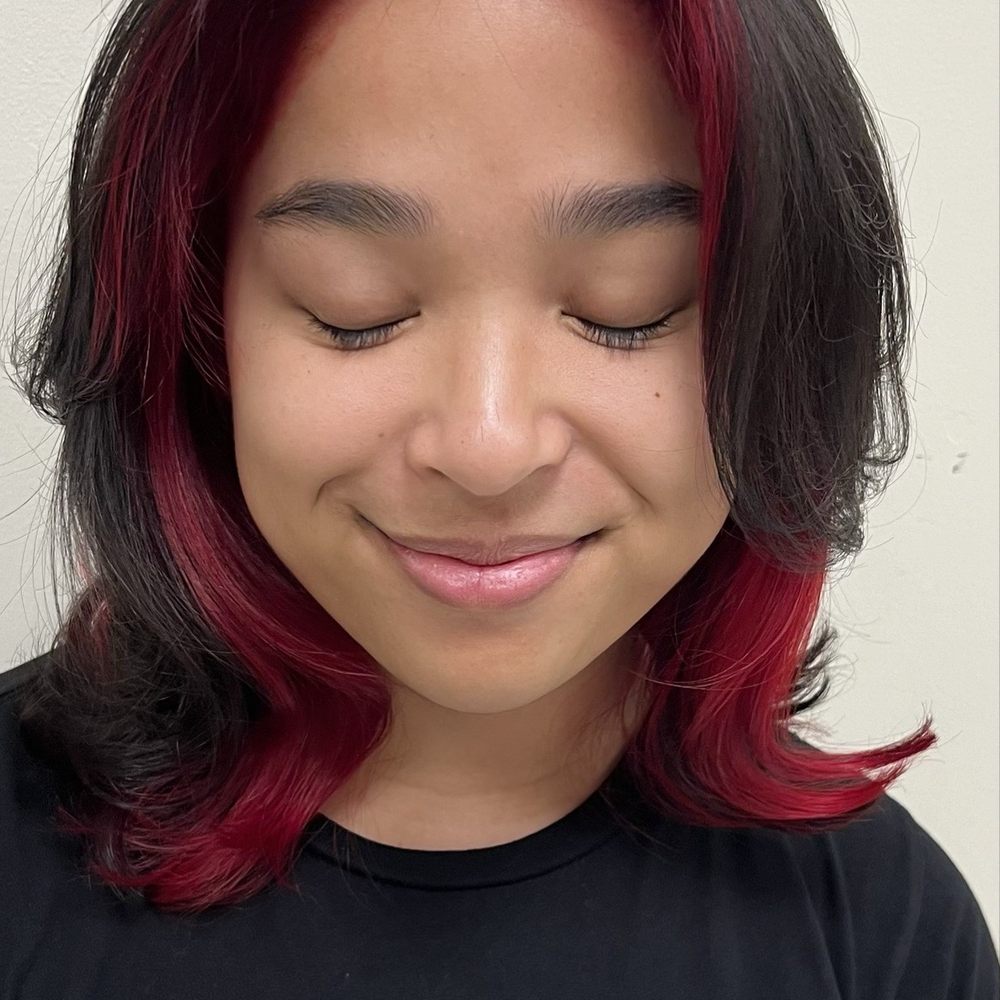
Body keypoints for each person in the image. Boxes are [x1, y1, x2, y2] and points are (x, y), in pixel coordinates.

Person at [0, 0, 997, 997]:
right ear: (197, 325)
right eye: (355, 306)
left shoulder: (885, 938)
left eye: (628, 304)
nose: (489, 447)